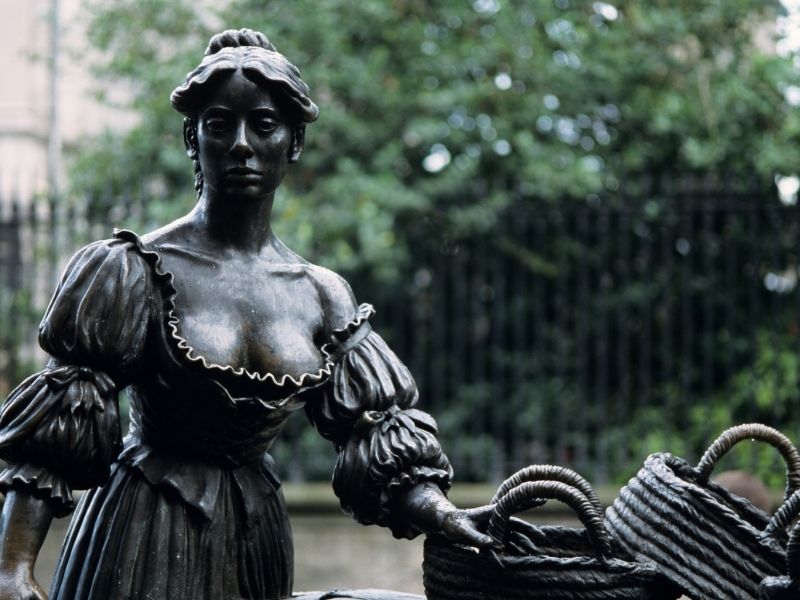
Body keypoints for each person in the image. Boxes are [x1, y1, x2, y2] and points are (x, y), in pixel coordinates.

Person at [0, 29, 491, 600]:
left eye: (263, 124)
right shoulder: (129, 270)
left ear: (294, 141)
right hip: (142, 533)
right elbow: (57, 427)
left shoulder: (321, 294)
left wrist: (439, 512)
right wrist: (12, 569)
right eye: (217, 124)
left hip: (255, 534)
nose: (240, 144)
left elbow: (377, 435)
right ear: (193, 138)